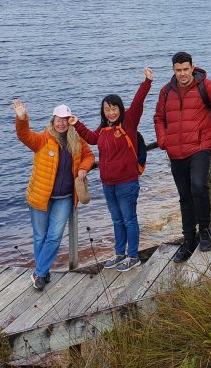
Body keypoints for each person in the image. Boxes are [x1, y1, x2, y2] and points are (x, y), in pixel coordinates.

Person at [154, 51, 211, 263]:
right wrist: (164, 140)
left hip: (200, 147)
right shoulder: (165, 92)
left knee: (199, 187)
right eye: (178, 70)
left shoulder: (205, 85)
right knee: (184, 197)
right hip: (176, 152)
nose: (182, 73)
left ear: (192, 67)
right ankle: (189, 240)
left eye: (185, 69)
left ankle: (205, 231)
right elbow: (159, 118)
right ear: (174, 70)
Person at [70, 68, 153, 272]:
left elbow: (138, 103)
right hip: (108, 184)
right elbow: (91, 138)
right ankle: (119, 254)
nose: (111, 112)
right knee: (117, 220)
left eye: (114, 108)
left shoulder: (129, 123)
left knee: (129, 219)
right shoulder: (104, 130)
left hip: (127, 183)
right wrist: (76, 123)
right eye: (107, 109)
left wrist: (147, 82)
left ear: (120, 109)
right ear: (103, 111)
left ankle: (133, 256)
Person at [12, 100, 95, 290]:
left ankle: (39, 273)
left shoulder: (77, 140)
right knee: (40, 236)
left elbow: (89, 156)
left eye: (66, 119)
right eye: (59, 119)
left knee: (55, 235)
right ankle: (43, 271)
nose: (62, 123)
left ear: (70, 121)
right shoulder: (43, 139)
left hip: (65, 197)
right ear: (53, 119)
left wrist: (83, 168)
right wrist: (22, 117)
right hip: (40, 196)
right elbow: (24, 135)